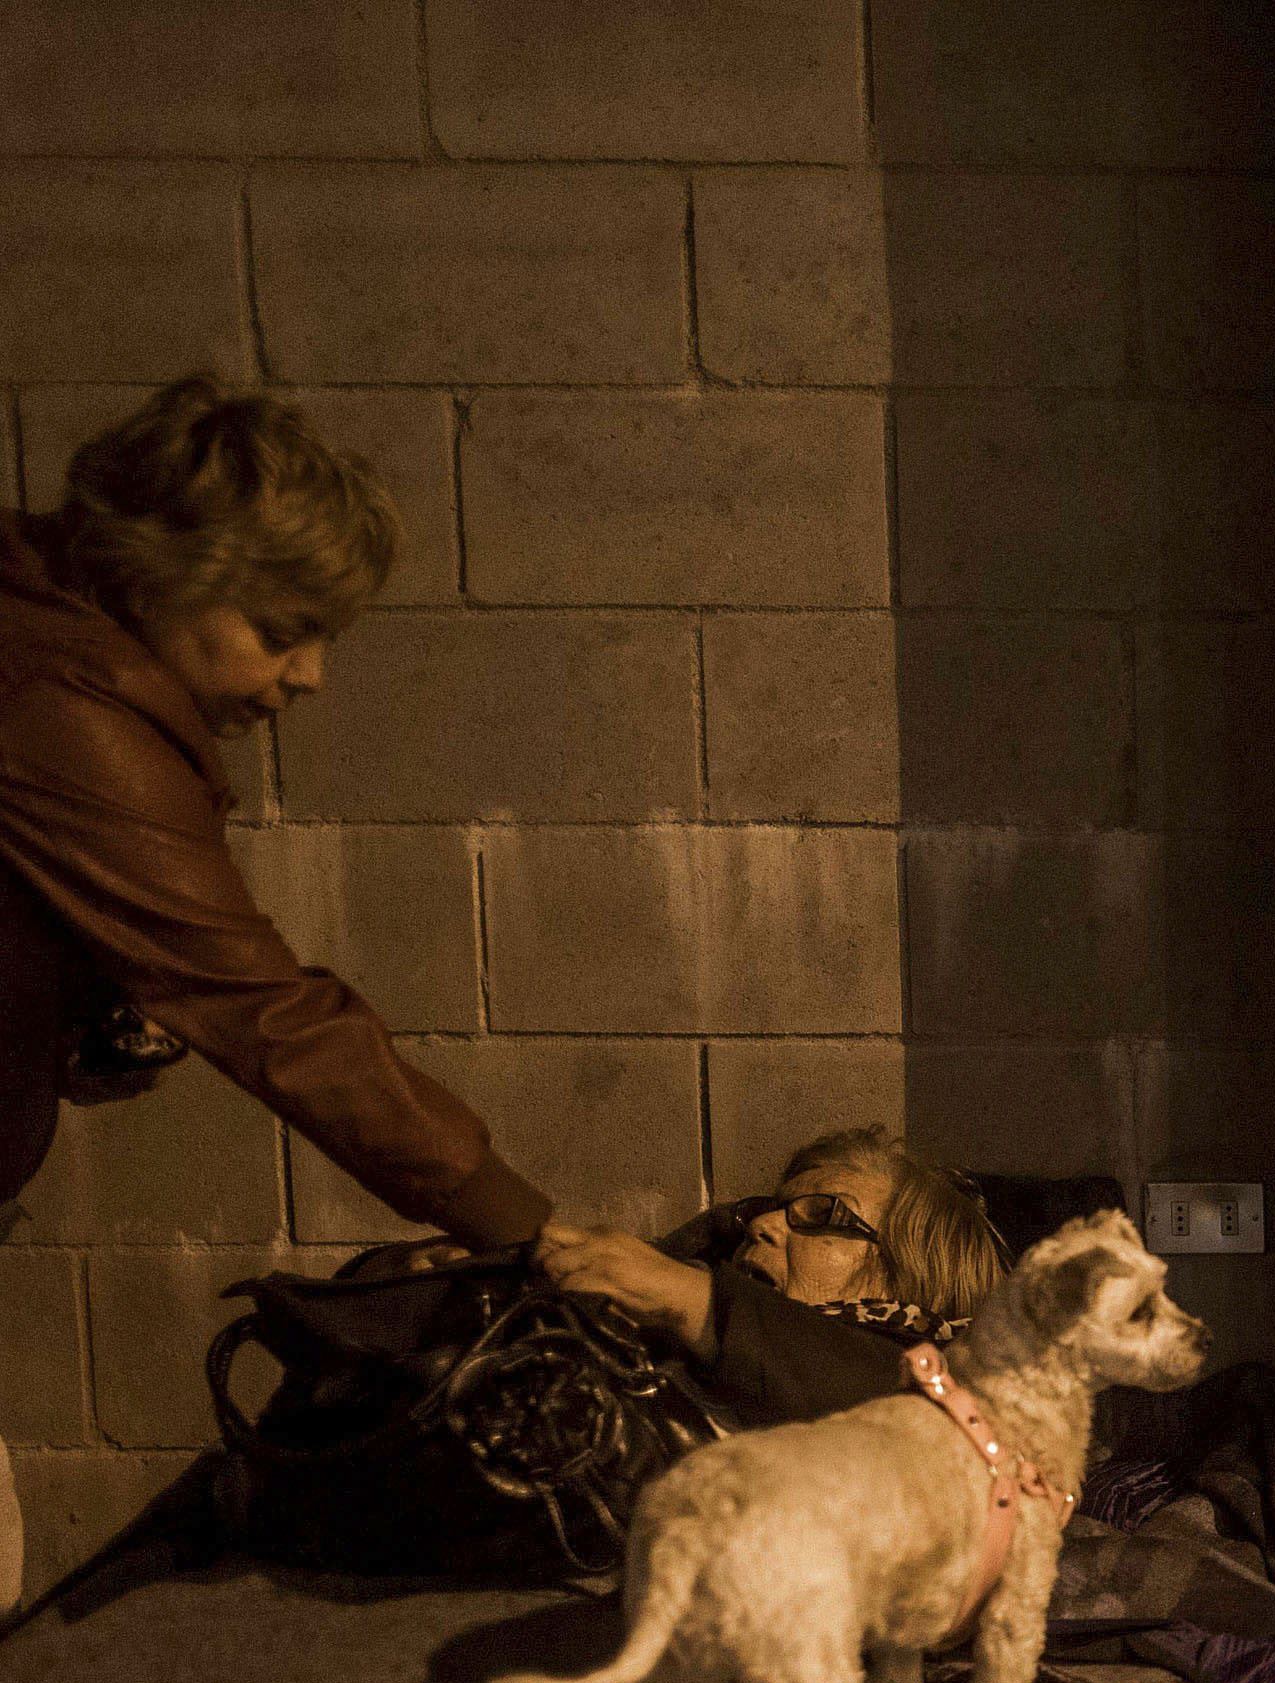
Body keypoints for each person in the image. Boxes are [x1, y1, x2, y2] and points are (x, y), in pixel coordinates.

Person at [2, 377, 554, 1592]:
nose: (306, 675)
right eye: (280, 625)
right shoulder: (59, 704)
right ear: (158, 571)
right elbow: (272, 1018)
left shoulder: (50, 649)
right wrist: (537, 1234)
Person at [511, 1124, 1009, 1429]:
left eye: (819, 1214)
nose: (762, 1225)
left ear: (905, 1275)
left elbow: (889, 1390)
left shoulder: (941, 1404)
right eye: (773, 1208)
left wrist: (685, 1295)